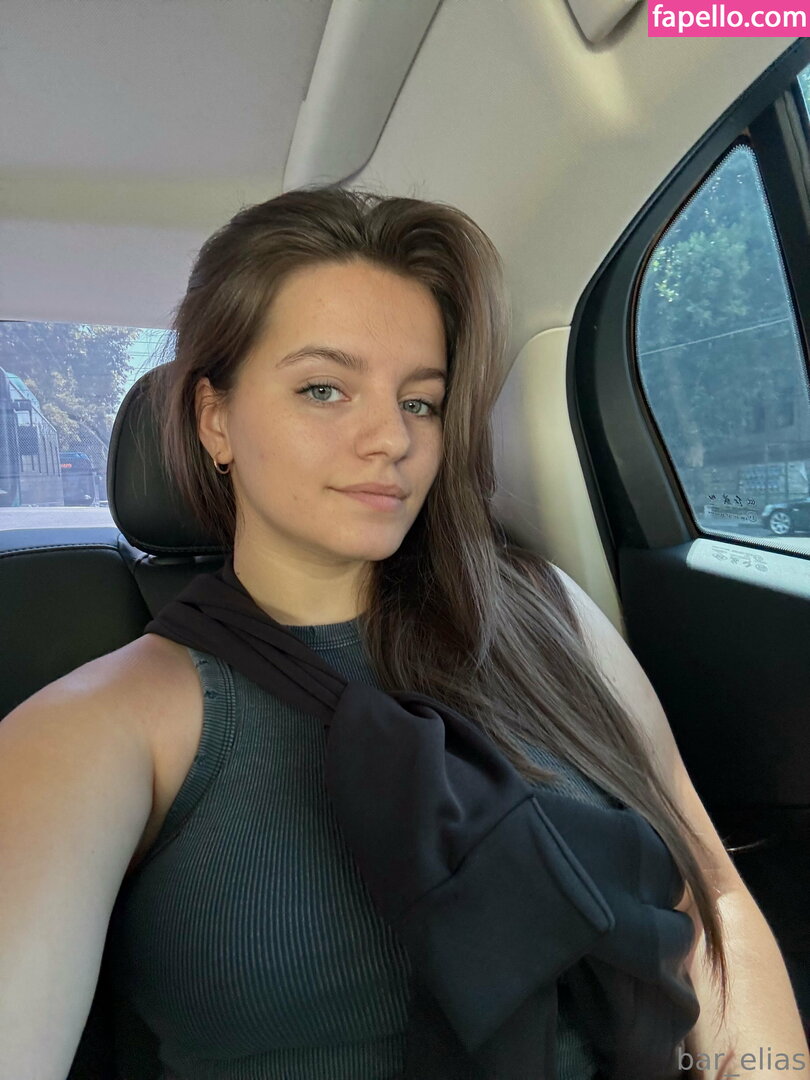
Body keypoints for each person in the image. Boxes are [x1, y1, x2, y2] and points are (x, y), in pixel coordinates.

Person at [2, 184, 803, 1080]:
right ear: (213, 418)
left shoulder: (546, 614)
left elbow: (712, 898)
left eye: (421, 401)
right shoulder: (94, 728)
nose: (390, 438)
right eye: (323, 389)